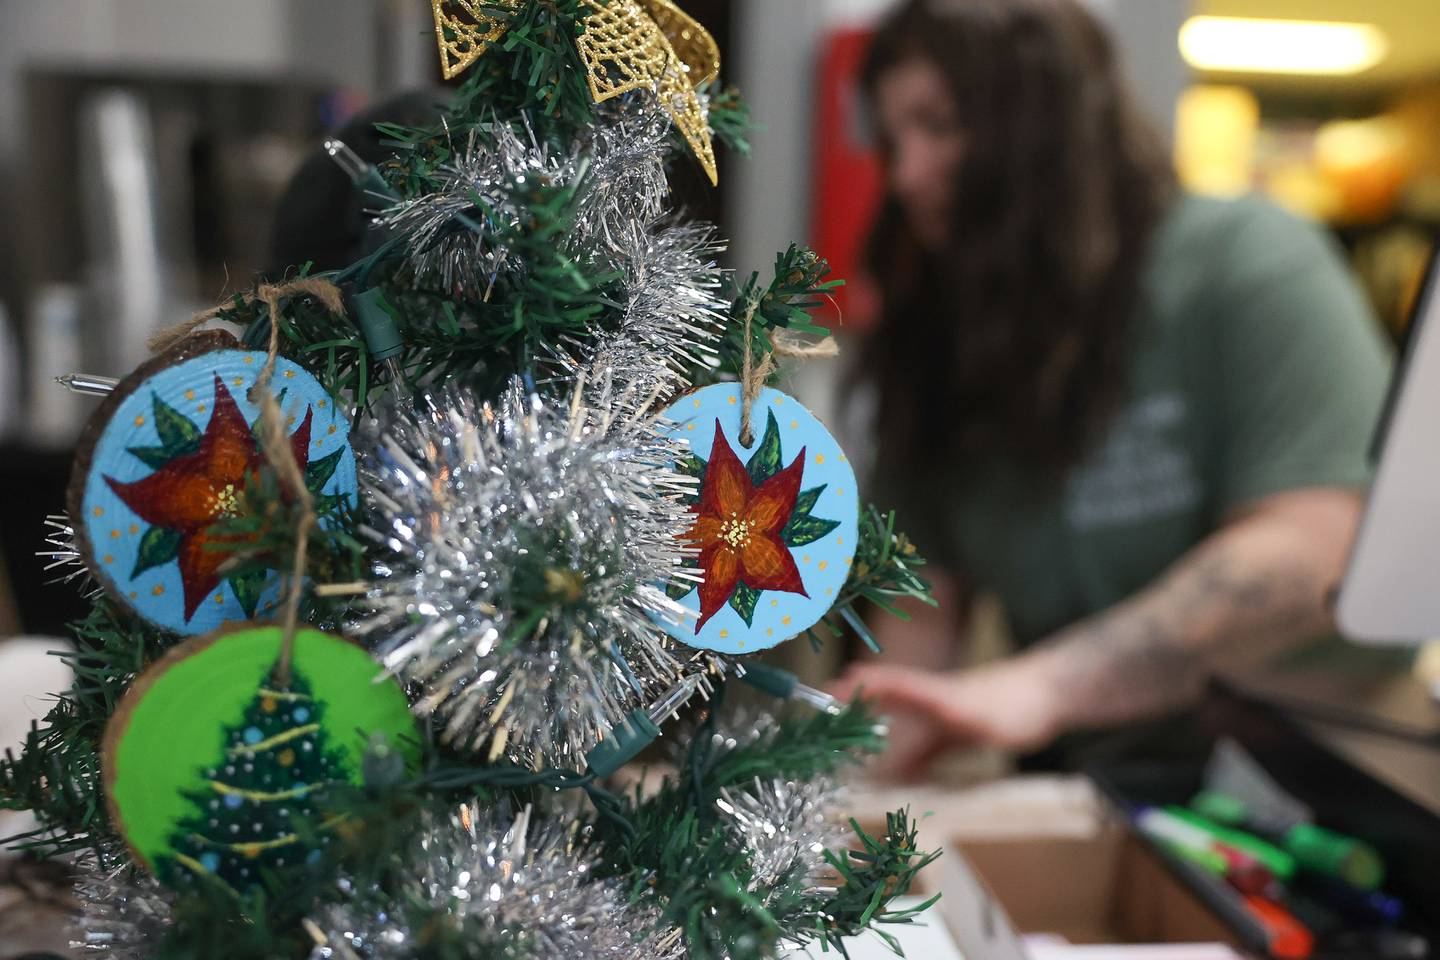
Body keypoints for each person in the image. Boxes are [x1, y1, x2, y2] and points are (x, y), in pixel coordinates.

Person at [830, 0, 1393, 776]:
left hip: (1321, 777)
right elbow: (918, 623)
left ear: (1050, 127)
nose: (906, 174)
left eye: (942, 125)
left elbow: (1315, 546)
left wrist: (1045, 685)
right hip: (1088, 785)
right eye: (893, 138)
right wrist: (825, 790)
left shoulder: (1246, 263)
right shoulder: (945, 338)